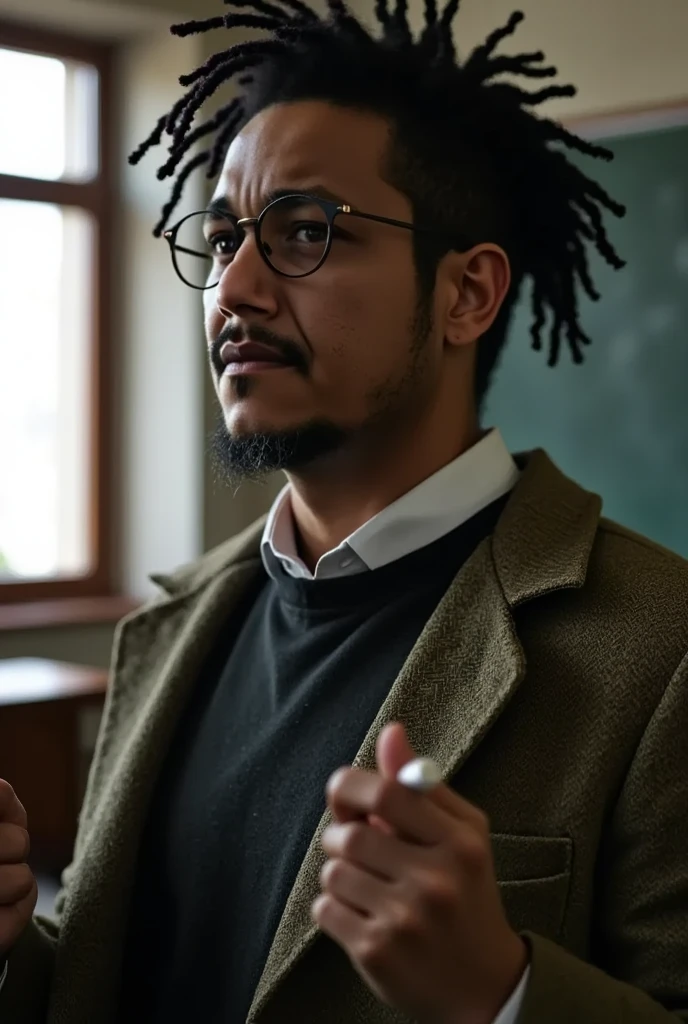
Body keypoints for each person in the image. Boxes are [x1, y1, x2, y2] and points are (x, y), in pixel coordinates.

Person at [1, 0, 687, 1021]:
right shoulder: (174, 624)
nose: (235, 286)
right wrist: (12, 948)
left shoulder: (659, 645)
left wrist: (504, 995)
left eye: (306, 233)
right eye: (225, 236)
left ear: (466, 295)